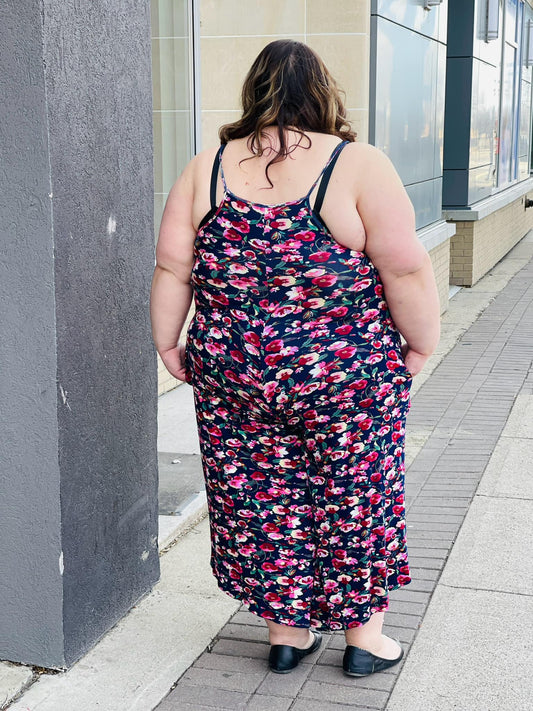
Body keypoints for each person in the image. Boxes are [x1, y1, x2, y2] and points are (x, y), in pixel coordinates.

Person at [150, 39, 440, 678]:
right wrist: (421, 341)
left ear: (253, 94)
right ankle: (364, 640)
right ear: (323, 93)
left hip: (232, 372)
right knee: (355, 492)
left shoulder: (208, 169)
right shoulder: (357, 164)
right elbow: (406, 267)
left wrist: (168, 342)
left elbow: (174, 267)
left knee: (260, 494)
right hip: (344, 371)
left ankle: (288, 633)